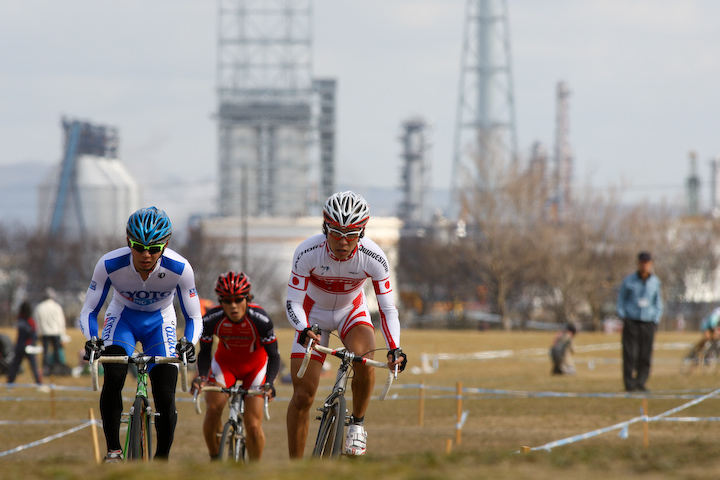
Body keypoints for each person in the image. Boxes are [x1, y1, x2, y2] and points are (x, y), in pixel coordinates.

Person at [285, 190, 408, 458]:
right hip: (312, 315)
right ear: (325, 228)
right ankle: (294, 468)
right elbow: (292, 302)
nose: (343, 242)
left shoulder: (374, 257)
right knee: (303, 396)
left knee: (364, 356)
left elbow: (388, 309)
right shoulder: (307, 251)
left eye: (352, 234)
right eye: (336, 233)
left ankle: (358, 424)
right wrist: (303, 329)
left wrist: (395, 348)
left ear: (362, 233)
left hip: (349, 312)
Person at [79, 206, 202, 462]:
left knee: (165, 394)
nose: (146, 255)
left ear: (165, 245)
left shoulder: (180, 268)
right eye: (138, 246)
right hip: (123, 318)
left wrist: (189, 343)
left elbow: (193, 317)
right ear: (128, 242)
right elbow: (89, 310)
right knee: (113, 375)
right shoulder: (110, 264)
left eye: (154, 248)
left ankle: (161, 460)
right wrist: (92, 339)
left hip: (160, 322)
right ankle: (114, 450)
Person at [191, 271, 280, 461]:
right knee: (213, 410)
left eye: (238, 299)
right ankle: (215, 459)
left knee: (253, 425)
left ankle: (253, 470)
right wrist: (202, 377)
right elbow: (205, 353)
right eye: (226, 300)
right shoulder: (210, 319)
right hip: (225, 365)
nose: (233, 306)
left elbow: (274, 355)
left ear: (247, 298)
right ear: (220, 301)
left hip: (255, 368)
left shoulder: (261, 319)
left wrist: (270, 383)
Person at [617, 251, 663, 392]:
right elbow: (621, 300)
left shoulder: (655, 282)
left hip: (648, 322)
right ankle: (629, 384)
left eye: (647, 262)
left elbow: (658, 302)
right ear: (638, 263)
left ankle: (641, 382)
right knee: (630, 354)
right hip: (631, 321)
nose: (644, 265)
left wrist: (656, 319)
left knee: (645, 354)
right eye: (642, 262)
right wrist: (623, 315)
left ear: (651, 264)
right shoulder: (629, 281)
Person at [7, 301, 44, 387]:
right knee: (34, 366)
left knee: (15, 366)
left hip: (19, 346)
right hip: (28, 347)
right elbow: (33, 334)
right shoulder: (30, 321)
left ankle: (9, 383)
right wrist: (32, 343)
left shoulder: (19, 320)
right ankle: (39, 384)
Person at [34, 288, 67, 376]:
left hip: (44, 333)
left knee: (45, 352)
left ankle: (46, 369)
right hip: (56, 332)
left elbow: (37, 322)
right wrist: (62, 334)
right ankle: (58, 369)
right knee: (57, 351)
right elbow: (61, 322)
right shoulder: (57, 307)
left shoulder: (39, 307)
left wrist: (38, 333)